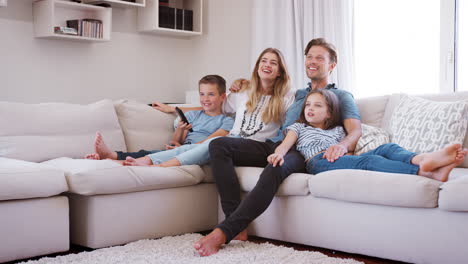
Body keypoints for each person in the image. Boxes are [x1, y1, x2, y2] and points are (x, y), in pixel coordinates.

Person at [194, 38, 362, 256]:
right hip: (276, 144)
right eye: (309, 56)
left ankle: (224, 232)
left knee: (274, 167)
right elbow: (265, 89)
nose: (312, 61)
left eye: (320, 58)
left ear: (332, 65)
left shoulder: (341, 96)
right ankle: (237, 222)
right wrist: (244, 83)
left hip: (302, 153)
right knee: (219, 145)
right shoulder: (297, 94)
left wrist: (342, 146)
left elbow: (355, 131)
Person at [124, 47, 295, 168]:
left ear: (280, 71)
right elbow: (211, 106)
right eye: (264, 61)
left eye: (273, 63)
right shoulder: (243, 92)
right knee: (196, 146)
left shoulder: (287, 97)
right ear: (257, 66)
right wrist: (173, 109)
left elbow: (291, 128)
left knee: (211, 144)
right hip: (232, 140)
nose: (267, 65)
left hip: (254, 147)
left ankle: (162, 166)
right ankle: (148, 160)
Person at [268, 89, 467, 182]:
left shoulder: (337, 130)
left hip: (342, 158)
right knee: (370, 161)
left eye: (317, 105)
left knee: (386, 148)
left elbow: (351, 147)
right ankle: (426, 172)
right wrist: (279, 154)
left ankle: (422, 158)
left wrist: (344, 149)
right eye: (308, 105)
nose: (310, 109)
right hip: (317, 162)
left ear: (329, 113)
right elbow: (285, 144)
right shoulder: (299, 127)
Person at [84, 75, 234, 167]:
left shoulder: (226, 121)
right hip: (182, 149)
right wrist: (180, 133)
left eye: (211, 94)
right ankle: (111, 157)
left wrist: (185, 148)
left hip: (199, 153)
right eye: (202, 94)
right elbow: (177, 140)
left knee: (155, 155)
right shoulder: (194, 115)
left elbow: (211, 141)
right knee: (149, 152)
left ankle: (111, 159)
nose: (205, 99)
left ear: (222, 97)